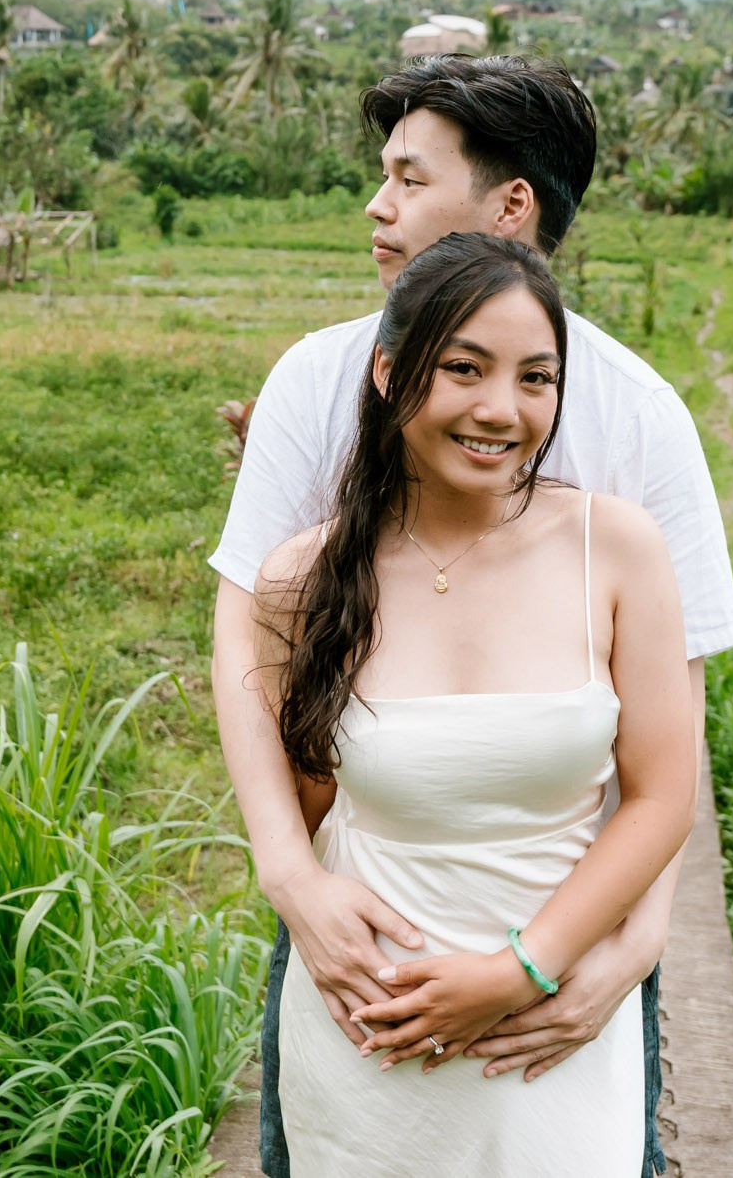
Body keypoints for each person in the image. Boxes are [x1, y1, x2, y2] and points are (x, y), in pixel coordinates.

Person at [208, 54, 733, 1176]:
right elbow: (250, 639)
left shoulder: (638, 418)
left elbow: (668, 741)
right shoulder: (319, 377)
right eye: (457, 369)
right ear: (396, 376)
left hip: (563, 930)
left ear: (511, 208)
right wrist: (290, 876)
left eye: (408, 177)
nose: (377, 203)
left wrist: (622, 946)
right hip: (368, 919)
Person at [250, 232, 695, 1175]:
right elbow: (304, 805)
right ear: (387, 370)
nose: (503, 409)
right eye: (463, 368)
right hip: (373, 1035)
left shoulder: (614, 549)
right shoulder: (306, 577)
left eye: (537, 377)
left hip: (545, 1034)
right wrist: (307, 902)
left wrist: (519, 969)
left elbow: (661, 797)